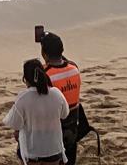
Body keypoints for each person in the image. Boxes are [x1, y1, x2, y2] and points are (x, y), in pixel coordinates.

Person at [3, 59, 70, 164]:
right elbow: (65, 114)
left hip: (32, 154)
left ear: (26, 79)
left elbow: (15, 124)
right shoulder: (56, 93)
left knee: (18, 133)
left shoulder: (23, 98)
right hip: (54, 151)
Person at [41, 32, 84, 165]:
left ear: (44, 54)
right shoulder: (74, 69)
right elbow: (64, 62)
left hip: (54, 135)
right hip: (72, 132)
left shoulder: (45, 74)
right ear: (62, 50)